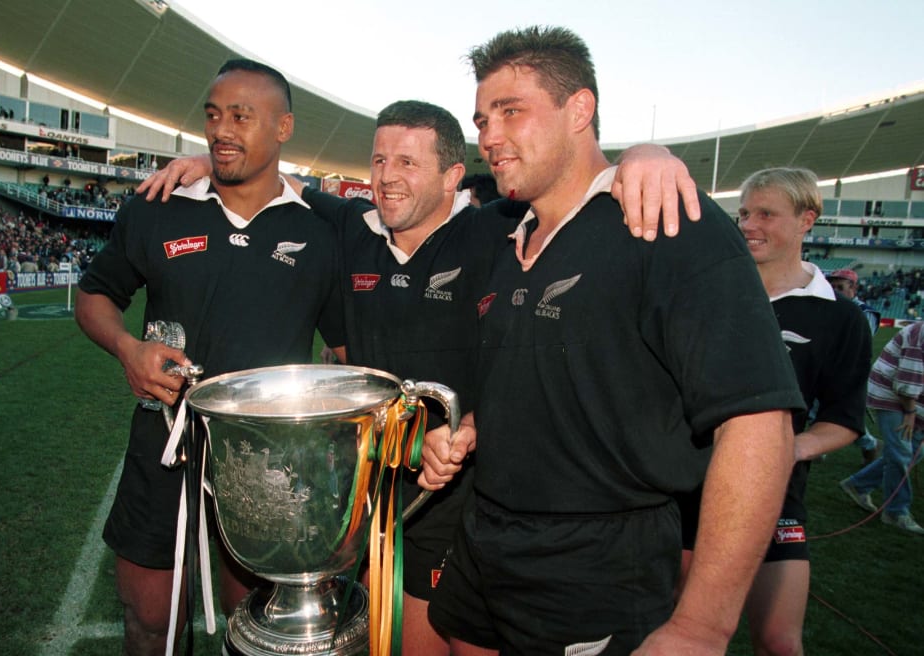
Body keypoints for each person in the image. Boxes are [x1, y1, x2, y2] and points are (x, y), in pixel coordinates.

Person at [139, 99, 701, 654]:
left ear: (453, 175)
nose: (387, 177)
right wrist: (203, 163)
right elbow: (275, 181)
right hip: (367, 484)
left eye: (408, 162)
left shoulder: (492, 230)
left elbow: (571, 188)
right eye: (380, 160)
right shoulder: (351, 229)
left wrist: (647, 155)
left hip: (459, 486)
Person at [422, 26, 804, 655]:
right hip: (484, 530)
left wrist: (702, 626)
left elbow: (760, 422)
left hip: (600, 558)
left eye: (511, 111)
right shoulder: (501, 235)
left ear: (580, 110)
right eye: (482, 118)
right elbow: (562, 382)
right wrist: (470, 430)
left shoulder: (670, 222)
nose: (488, 135)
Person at [74, 58, 345, 656]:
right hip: (164, 444)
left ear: (283, 128)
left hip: (267, 459)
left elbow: (347, 346)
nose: (222, 129)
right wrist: (128, 348)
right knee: (149, 620)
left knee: (255, 622)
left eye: (242, 116)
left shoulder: (323, 233)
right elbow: (93, 294)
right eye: (214, 114)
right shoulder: (157, 206)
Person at [679, 167, 873, 655]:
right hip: (683, 489)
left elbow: (844, 420)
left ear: (807, 219)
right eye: (744, 213)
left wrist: (790, 448)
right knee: (679, 634)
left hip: (774, 496)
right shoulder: (708, 296)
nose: (748, 224)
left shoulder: (840, 317)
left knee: (780, 642)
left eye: (766, 213)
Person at [838, 322, 924, 535]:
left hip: (910, 397)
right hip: (892, 396)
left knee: (913, 451)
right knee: (901, 452)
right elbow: (906, 382)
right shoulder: (919, 336)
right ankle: (896, 511)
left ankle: (859, 484)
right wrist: (911, 414)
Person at [828, 267, 882, 464]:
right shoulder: (830, 307)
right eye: (831, 286)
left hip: (848, 373)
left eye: (839, 287)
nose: (834, 290)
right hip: (827, 368)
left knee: (844, 415)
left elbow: (858, 344)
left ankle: (870, 445)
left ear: (853, 288)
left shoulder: (865, 312)